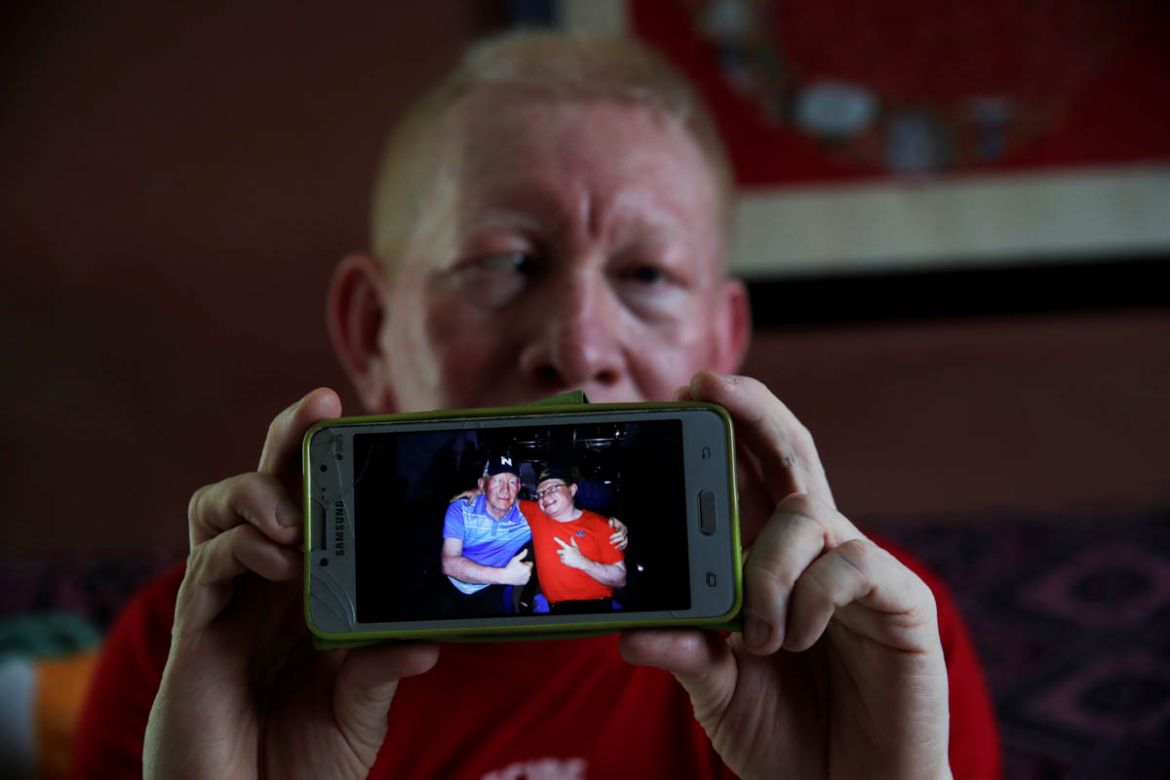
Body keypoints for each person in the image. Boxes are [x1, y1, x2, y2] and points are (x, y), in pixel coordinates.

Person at [71, 31, 1000, 778]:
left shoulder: (858, 642)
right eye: (506, 263)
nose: (580, 344)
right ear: (372, 331)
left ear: (721, 344)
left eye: (647, 274)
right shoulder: (199, 655)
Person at [440, 454, 534, 615]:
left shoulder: (528, 517)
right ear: (482, 484)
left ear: (519, 487)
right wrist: (505, 576)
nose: (505, 489)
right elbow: (448, 563)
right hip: (452, 585)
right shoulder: (461, 509)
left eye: (512, 482)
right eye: (497, 480)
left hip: (490, 589)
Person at [524, 465, 626, 613]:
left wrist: (583, 562)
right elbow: (504, 499)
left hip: (594, 609)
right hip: (555, 611)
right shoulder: (536, 514)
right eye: (540, 493)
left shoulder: (602, 525)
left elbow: (620, 579)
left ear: (572, 490)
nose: (545, 496)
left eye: (553, 488)